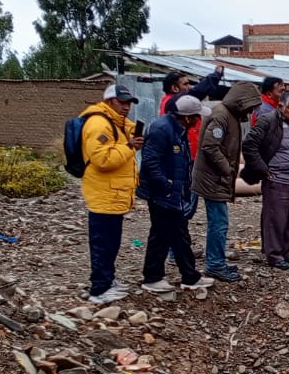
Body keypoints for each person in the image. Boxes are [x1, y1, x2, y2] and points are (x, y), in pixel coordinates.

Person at [138, 95, 215, 292]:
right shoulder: (162, 130)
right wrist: (167, 185)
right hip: (161, 194)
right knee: (161, 235)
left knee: (180, 236)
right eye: (197, 116)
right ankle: (152, 277)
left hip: (173, 193)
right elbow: (149, 163)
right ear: (187, 117)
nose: (199, 120)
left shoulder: (178, 130)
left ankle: (190, 276)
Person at [79, 84, 145, 303]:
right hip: (103, 194)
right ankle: (99, 289)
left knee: (111, 242)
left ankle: (107, 280)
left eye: (129, 103)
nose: (126, 107)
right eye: (122, 102)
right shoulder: (98, 124)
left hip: (113, 194)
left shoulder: (115, 123)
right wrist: (130, 147)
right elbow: (103, 159)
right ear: (109, 102)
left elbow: (127, 130)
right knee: (103, 243)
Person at [193, 81, 261, 281]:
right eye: (250, 106)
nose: (250, 112)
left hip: (216, 177)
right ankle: (214, 264)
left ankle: (217, 260)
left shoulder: (228, 115)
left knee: (218, 222)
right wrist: (227, 169)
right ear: (242, 102)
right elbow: (210, 146)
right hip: (213, 178)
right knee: (218, 223)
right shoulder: (222, 116)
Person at [241, 88, 289, 269]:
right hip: (277, 178)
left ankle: (287, 250)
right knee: (276, 218)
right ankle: (274, 254)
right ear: (280, 106)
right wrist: (262, 168)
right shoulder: (268, 120)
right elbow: (249, 144)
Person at [158, 66, 224, 157]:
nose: (189, 87)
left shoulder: (169, 101)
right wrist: (216, 75)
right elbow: (198, 91)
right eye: (185, 84)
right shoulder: (175, 102)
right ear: (174, 88)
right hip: (184, 155)